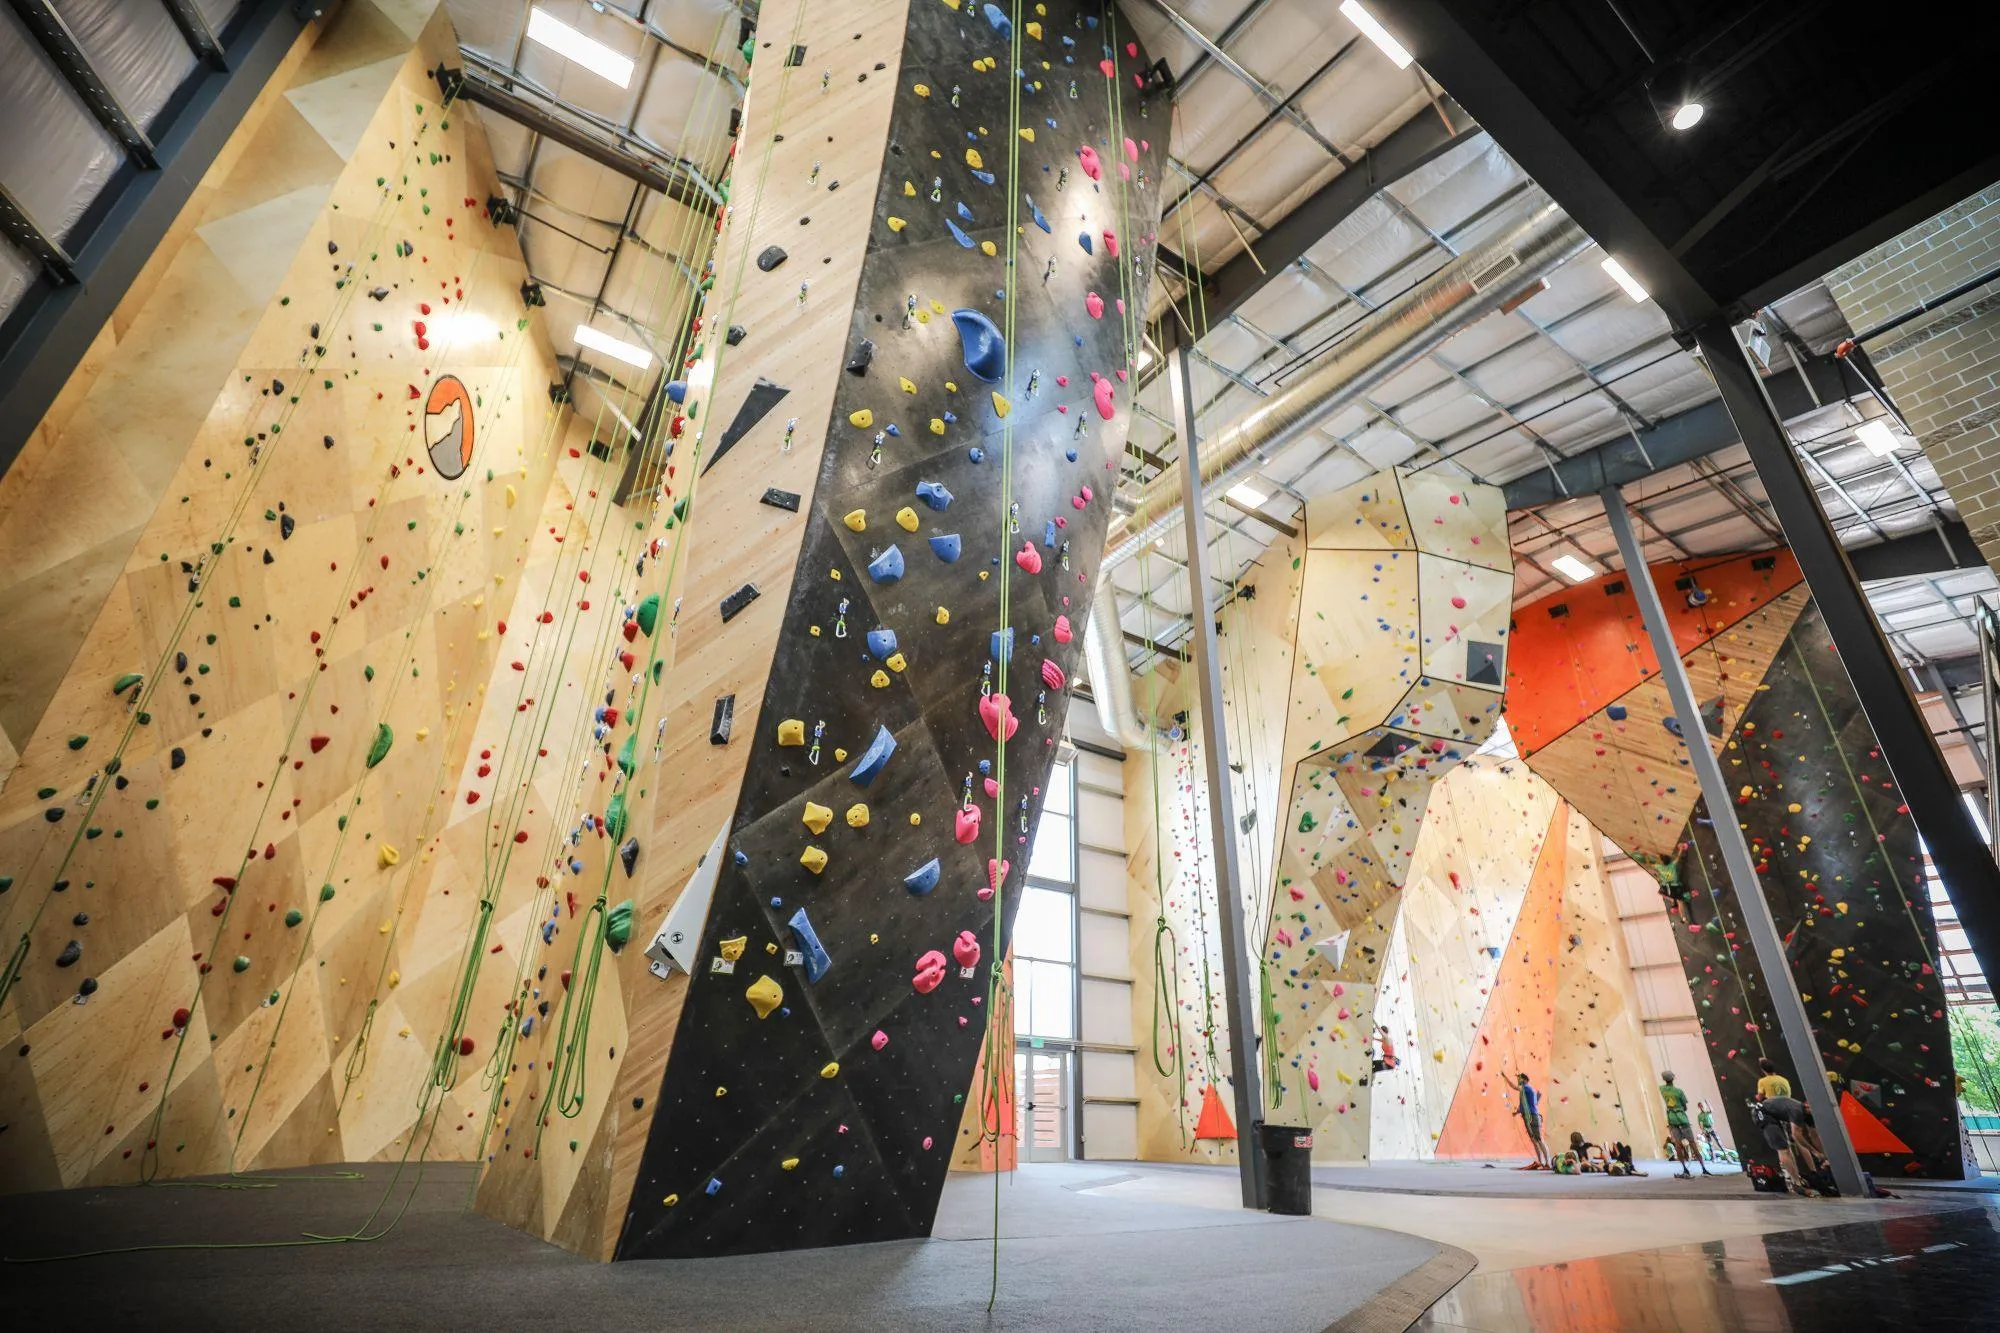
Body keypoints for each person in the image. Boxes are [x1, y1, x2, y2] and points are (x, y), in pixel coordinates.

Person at [1659, 1071, 1711, 1178]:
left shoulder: (1662, 1089)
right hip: (1682, 1119)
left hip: (1672, 1120)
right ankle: (1704, 1168)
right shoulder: (1679, 1092)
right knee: (1692, 1143)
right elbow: (1685, 1107)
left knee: (1678, 1145)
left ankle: (1685, 1169)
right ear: (1673, 1078)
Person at [1511, 1071, 1551, 1169]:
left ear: (1525, 1080)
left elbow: (1514, 1087)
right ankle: (1541, 1162)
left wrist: (1505, 1077)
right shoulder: (1525, 1091)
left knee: (1539, 1140)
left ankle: (1548, 1163)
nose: (1518, 1080)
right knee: (1534, 1140)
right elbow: (1524, 1104)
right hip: (1528, 1117)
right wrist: (1517, 1112)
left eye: (1519, 1078)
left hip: (1533, 1116)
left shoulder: (1526, 1088)